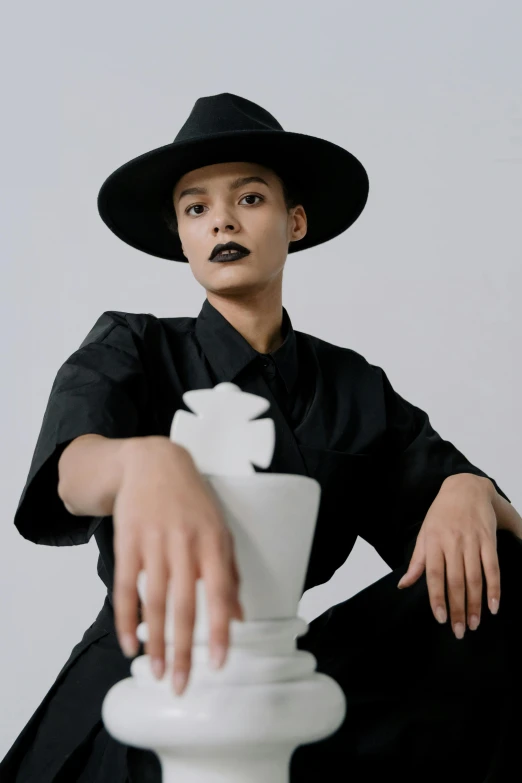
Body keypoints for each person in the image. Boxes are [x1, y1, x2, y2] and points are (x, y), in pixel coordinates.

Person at [1, 92, 521, 783]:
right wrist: (139, 463)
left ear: (294, 221)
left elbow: (480, 537)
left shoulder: (352, 386)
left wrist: (467, 486)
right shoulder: (134, 344)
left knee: (504, 579)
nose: (221, 218)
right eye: (196, 207)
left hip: (274, 681)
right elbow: (71, 471)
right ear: (181, 238)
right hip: (140, 687)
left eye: (249, 198)